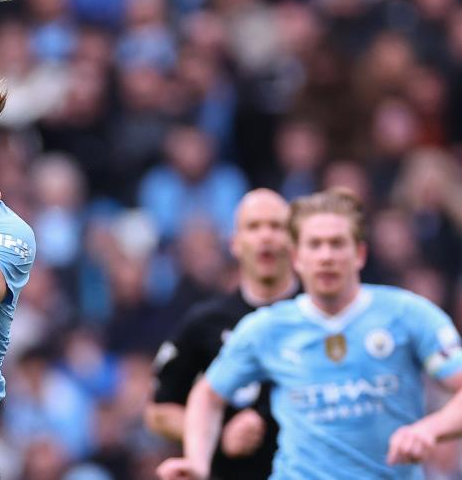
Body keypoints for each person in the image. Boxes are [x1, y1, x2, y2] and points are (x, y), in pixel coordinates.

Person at [157, 188, 462, 480]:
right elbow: (207, 395)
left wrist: (430, 430)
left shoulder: (407, 314)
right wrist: (197, 462)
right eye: (315, 245)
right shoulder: (267, 328)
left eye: (337, 244)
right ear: (296, 258)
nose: (326, 256)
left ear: (360, 254)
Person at [147, 188, 299, 480]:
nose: (265, 236)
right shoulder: (205, 322)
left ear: (294, 241)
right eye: (254, 227)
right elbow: (159, 411)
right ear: (235, 243)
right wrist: (217, 433)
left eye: (276, 226)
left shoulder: (316, 316)